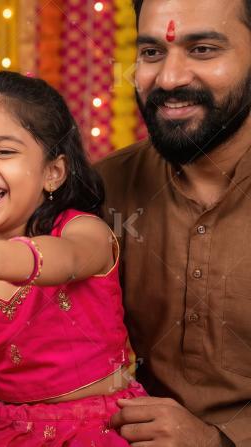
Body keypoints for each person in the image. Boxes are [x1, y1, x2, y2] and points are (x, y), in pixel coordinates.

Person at [0, 71, 146, 446]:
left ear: (53, 173)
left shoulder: (84, 232)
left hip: (97, 428)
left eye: (4, 151)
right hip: (3, 431)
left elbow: (66, 259)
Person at [97, 0, 251, 445]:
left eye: (202, 49)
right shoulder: (101, 191)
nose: (168, 78)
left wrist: (216, 441)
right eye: (151, 53)